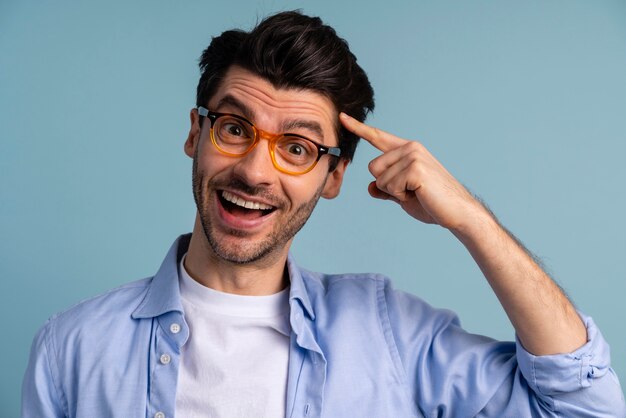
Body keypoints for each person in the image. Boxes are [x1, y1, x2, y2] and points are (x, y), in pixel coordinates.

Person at [22, 10, 625, 418]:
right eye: (234, 128)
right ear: (195, 135)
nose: (256, 172)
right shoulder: (71, 349)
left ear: (332, 176)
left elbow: (585, 407)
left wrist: (470, 218)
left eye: (298, 148)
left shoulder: (391, 336)